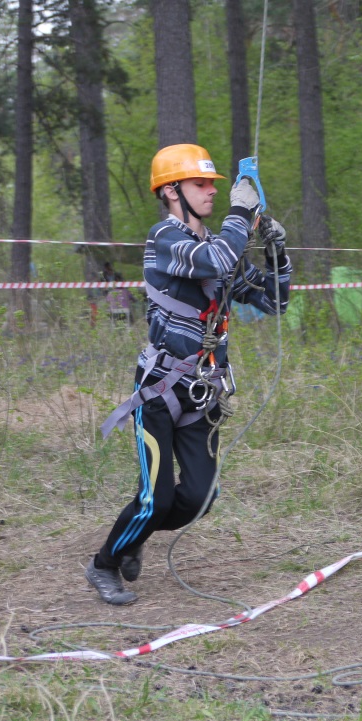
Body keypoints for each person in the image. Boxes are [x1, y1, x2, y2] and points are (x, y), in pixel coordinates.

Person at [85, 143, 292, 605]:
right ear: (172, 190)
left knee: (199, 498)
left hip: (203, 393)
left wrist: (277, 250)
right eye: (201, 184)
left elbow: (275, 300)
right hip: (158, 392)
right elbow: (216, 261)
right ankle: (104, 563)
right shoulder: (165, 240)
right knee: (154, 497)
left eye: (214, 186)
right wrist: (242, 213)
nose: (212, 193)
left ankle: (134, 537)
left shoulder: (217, 245)